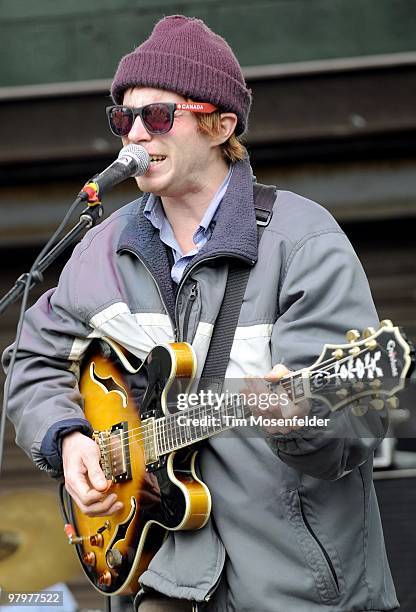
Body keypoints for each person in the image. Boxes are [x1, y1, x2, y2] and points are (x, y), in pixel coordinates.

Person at [3, 15, 398, 612]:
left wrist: (299, 419)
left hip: (294, 593)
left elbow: (356, 423)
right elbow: (30, 358)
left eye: (157, 115)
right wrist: (69, 441)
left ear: (220, 123)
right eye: (122, 118)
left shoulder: (303, 239)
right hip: (157, 583)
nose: (134, 133)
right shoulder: (99, 250)